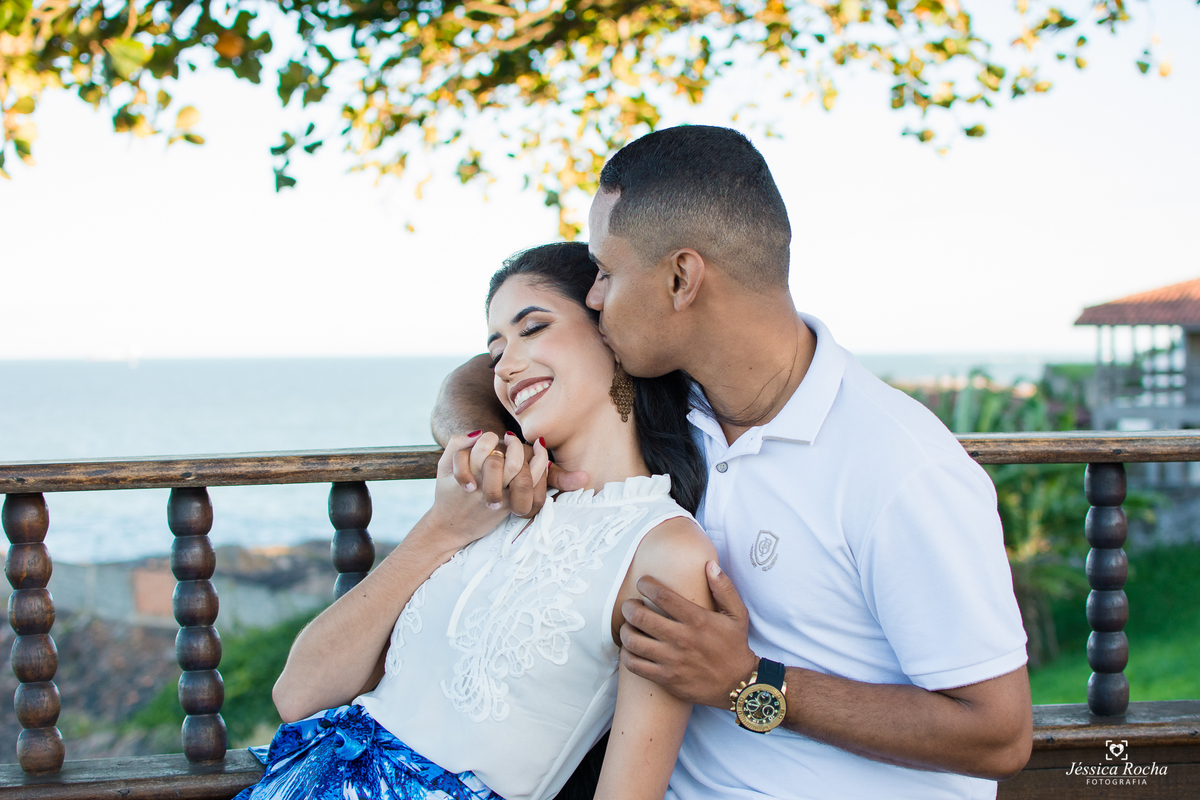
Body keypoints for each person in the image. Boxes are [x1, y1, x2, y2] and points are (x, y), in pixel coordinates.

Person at [432, 125, 1034, 799]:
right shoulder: (667, 394)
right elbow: (479, 375)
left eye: (606, 271)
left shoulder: (899, 467)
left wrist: (750, 684)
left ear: (681, 278)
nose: (595, 296)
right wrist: (487, 448)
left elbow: (1000, 735)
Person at [246, 242, 718, 800]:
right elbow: (298, 695)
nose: (508, 366)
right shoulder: (482, 500)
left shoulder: (664, 553)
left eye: (533, 328)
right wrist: (442, 530)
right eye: (495, 352)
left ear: (614, 333)